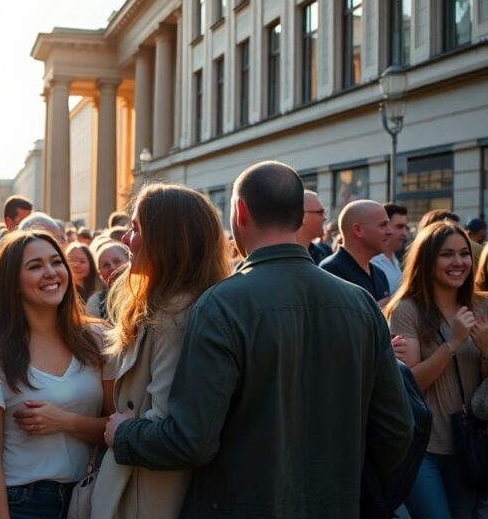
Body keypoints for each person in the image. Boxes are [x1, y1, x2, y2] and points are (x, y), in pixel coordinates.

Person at [103, 161, 414, 517]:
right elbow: (395, 429)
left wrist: (126, 434)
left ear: (240, 211)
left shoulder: (222, 304)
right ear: (300, 216)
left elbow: (191, 440)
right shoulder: (359, 302)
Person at [93, 182, 231, 519]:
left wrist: (123, 430)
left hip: (148, 492)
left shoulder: (175, 313)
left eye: (136, 228)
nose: (126, 239)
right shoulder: (168, 303)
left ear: (167, 238)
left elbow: (167, 419)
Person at [0, 230, 112, 519]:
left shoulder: (97, 338)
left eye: (56, 262)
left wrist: (65, 421)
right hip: (24, 502)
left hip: (90, 496)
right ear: (12, 284)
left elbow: (117, 430)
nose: (50, 273)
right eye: (35, 266)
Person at [387, 221, 488, 519]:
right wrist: (454, 342)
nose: (458, 262)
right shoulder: (408, 310)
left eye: (464, 254)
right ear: (428, 258)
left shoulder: (487, 308)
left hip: (469, 445)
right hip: (422, 447)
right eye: (447, 254)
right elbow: (410, 385)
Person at [319, 200, 393, 302]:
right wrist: (379, 310)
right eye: (383, 225)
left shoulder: (379, 274)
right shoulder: (330, 271)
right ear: (358, 230)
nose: (390, 231)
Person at [85, 241, 130, 319]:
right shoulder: (96, 302)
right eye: (105, 265)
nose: (112, 267)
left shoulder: (146, 292)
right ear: (100, 273)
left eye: (117, 261)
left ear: (129, 261)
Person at [372, 203, 410, 293]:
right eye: (399, 227)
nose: (405, 233)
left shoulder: (397, 260)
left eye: (405, 227)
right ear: (385, 227)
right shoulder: (372, 263)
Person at [295, 191, 329, 263]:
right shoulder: (279, 258)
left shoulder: (325, 253)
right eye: (320, 212)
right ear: (302, 216)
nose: (324, 218)